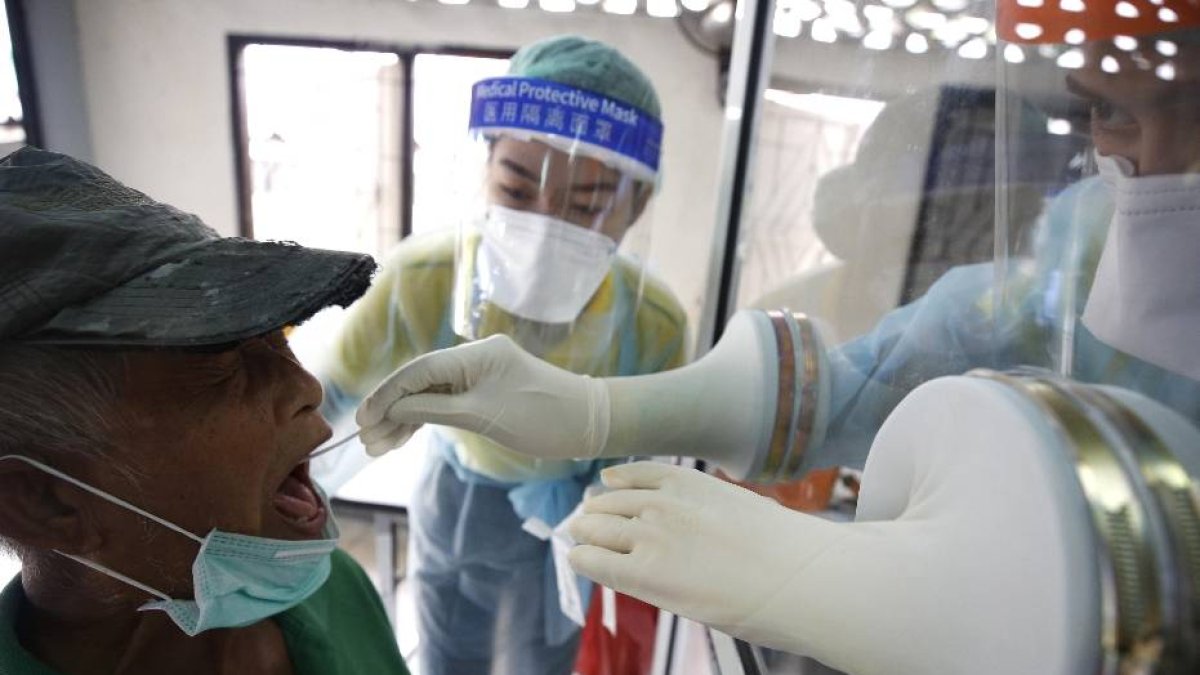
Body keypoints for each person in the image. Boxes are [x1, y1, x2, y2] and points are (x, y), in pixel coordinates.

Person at [353, 2, 1200, 673]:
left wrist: (828, 581)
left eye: (1195, 106)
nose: (1158, 160)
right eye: (1111, 116)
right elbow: (882, 376)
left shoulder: (647, 315)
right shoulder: (1086, 246)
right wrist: (596, 409)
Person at [313, 35, 687, 675]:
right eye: (516, 192)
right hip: (456, 492)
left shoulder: (653, 325)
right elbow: (322, 398)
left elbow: (641, 461)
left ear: (639, 205)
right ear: (484, 169)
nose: (545, 229)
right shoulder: (424, 277)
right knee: (446, 652)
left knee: (541, 660)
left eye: (587, 207)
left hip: (567, 521)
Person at [0, 147, 409, 674]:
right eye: (218, 363)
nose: (304, 386)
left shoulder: (334, 589)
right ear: (45, 503)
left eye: (276, 337)